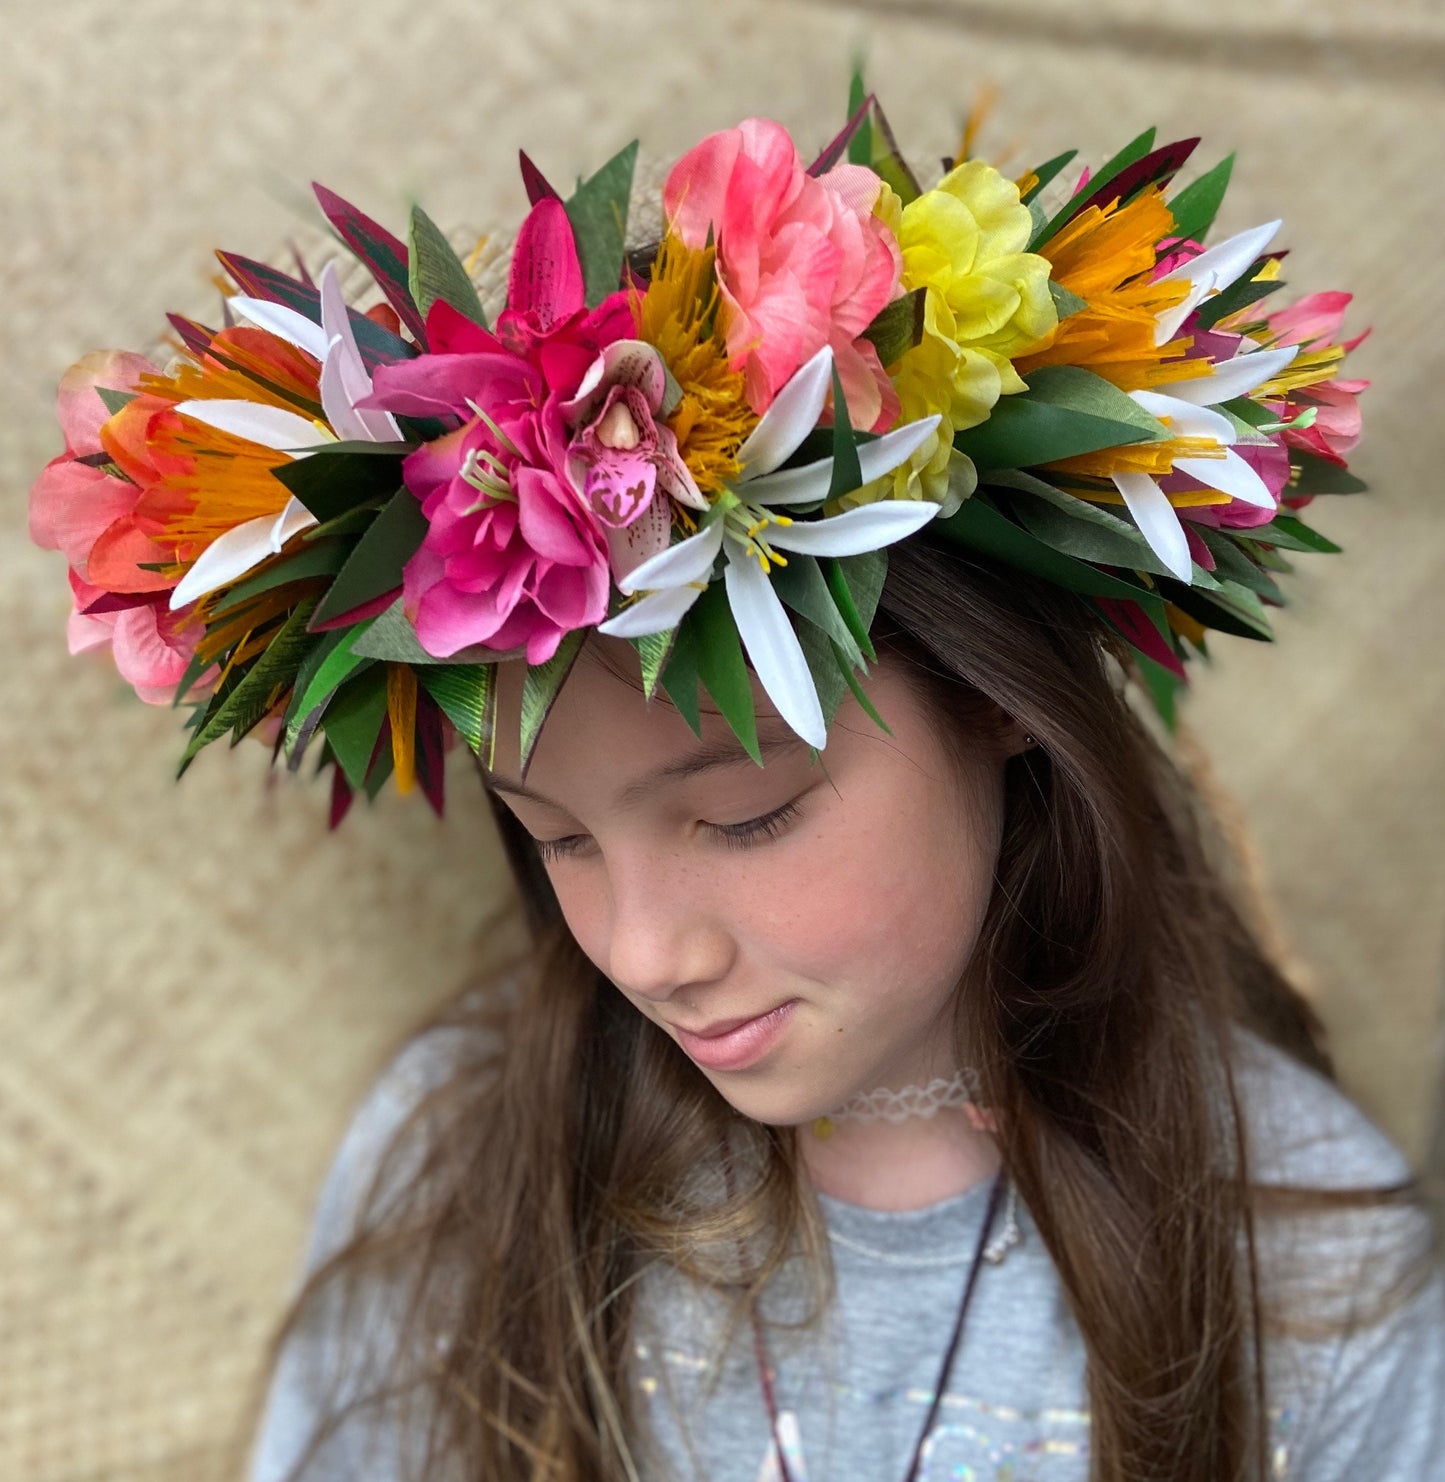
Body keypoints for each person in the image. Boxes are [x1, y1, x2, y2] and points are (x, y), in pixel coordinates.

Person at [26, 84, 1443, 1482]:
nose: (648, 949)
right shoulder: (461, 1159)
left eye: (746, 815)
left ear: (998, 701)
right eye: (559, 840)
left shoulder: (1309, 1260)